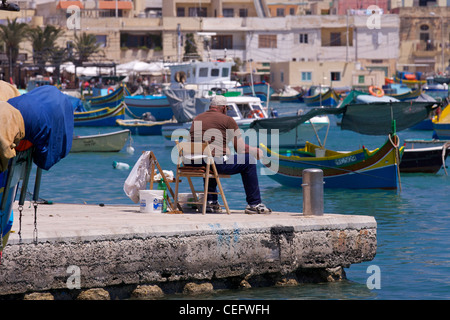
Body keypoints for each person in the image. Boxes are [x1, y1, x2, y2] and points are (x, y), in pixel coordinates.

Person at [189, 95, 271, 214]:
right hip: (212, 162)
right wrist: (256, 151)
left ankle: (211, 202)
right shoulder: (227, 120)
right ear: (223, 108)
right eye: (226, 109)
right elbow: (241, 149)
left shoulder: (197, 118)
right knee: (249, 160)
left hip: (192, 163)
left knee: (210, 160)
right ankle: (254, 203)